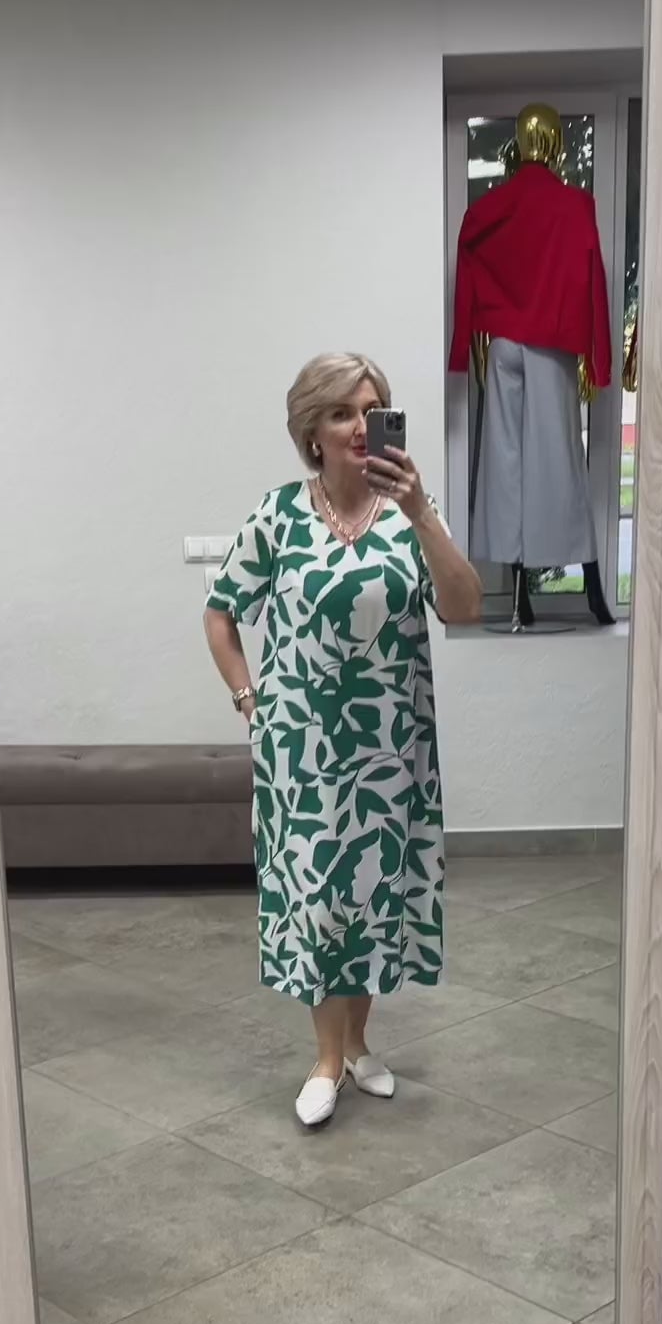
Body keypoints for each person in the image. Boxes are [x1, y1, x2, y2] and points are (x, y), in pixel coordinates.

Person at [204, 352, 482, 1127]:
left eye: (373, 409)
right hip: (302, 754)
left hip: (392, 748)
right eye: (342, 413)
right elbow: (221, 613)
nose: (362, 426)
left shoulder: (410, 515)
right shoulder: (278, 516)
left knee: (373, 896)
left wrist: (423, 514)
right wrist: (249, 699)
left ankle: (358, 1044)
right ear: (312, 432)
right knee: (320, 901)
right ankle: (327, 1060)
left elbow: (464, 607)